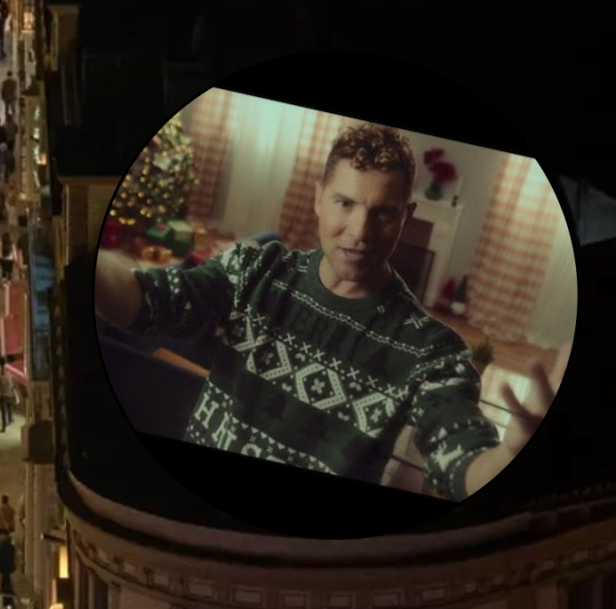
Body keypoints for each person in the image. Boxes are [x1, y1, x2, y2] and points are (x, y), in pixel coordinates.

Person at [92, 123, 557, 500]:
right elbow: (143, 300)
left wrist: (513, 453)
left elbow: (464, 465)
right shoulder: (255, 269)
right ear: (317, 198)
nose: (360, 231)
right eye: (345, 203)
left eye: (383, 213)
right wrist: (82, 261)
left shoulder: (433, 352)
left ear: (406, 217)